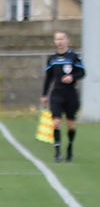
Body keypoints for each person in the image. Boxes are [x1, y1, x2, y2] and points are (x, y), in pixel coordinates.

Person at [41, 31, 85, 162]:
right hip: (57, 94)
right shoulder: (52, 59)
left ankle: (70, 148)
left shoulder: (74, 57)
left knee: (71, 124)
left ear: (67, 40)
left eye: (61, 39)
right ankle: (57, 152)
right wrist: (44, 95)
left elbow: (82, 72)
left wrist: (72, 77)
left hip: (70, 94)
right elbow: (48, 78)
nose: (59, 41)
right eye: (57, 39)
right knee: (56, 122)